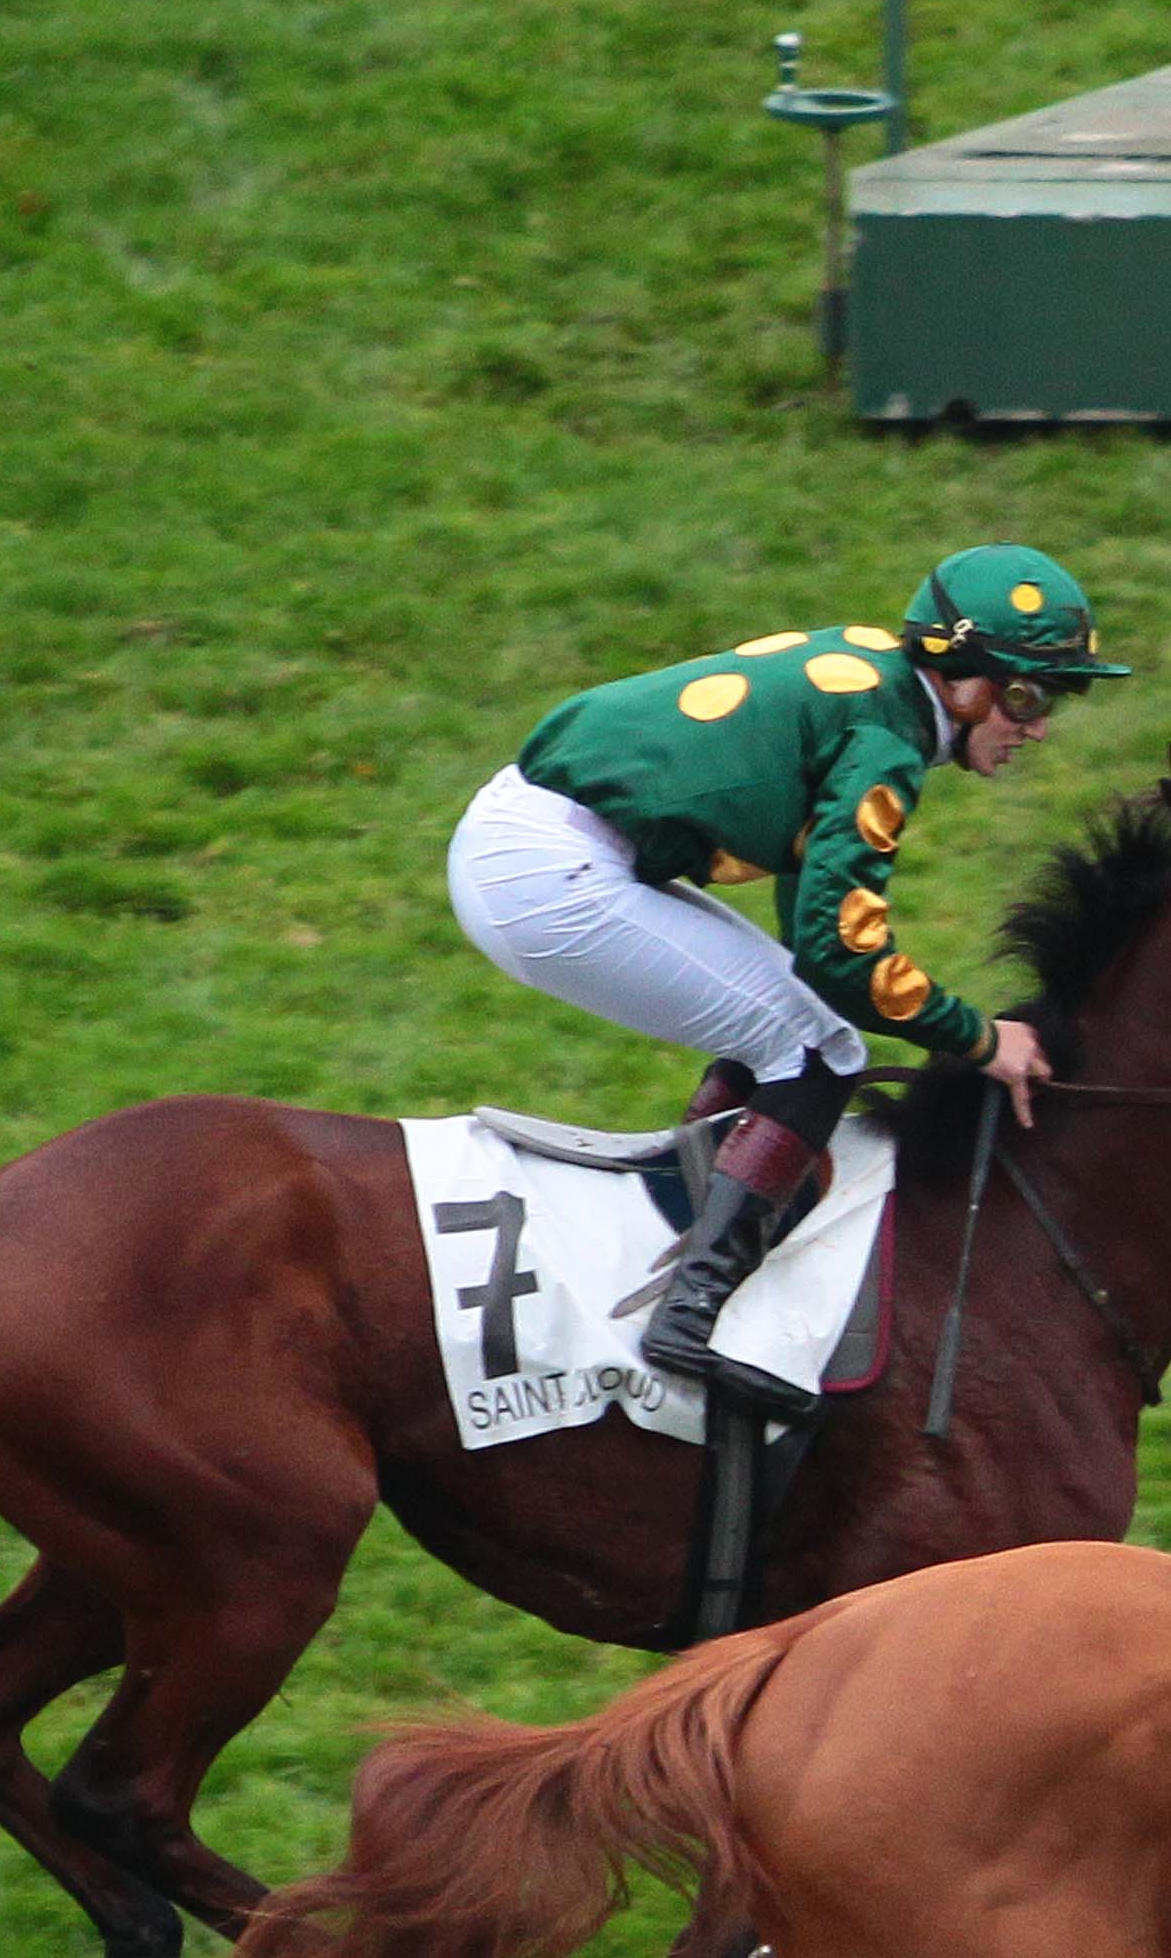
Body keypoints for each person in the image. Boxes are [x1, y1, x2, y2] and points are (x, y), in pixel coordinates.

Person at [444, 544, 1126, 1404]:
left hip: (540, 841)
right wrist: (980, 1039)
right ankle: (690, 1314)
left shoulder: (879, 679)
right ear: (961, 680)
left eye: (1053, 700)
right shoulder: (886, 742)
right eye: (1027, 696)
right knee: (818, 1050)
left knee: (797, 1021)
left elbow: (817, 937)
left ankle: (686, 1236)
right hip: (549, 872)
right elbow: (842, 954)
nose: (1038, 726)